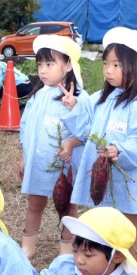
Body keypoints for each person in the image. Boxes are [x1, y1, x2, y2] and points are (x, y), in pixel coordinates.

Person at [63, 27, 137, 259]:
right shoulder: (101, 98)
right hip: (104, 177)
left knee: (129, 227)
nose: (108, 70)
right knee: (105, 224)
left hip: (131, 180)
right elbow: (86, 128)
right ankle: (110, 268)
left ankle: (133, 272)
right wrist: (74, 107)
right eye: (106, 63)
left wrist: (122, 150)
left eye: (117, 65)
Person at [18, 35, 87, 259]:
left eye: (50, 64)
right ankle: (28, 245)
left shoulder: (78, 97)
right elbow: (26, 127)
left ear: (68, 65)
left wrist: (74, 108)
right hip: (39, 164)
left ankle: (67, 248)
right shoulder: (37, 96)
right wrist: (24, 156)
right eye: (40, 64)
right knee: (35, 204)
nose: (43, 70)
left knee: (68, 207)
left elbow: (87, 131)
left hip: (64, 167)